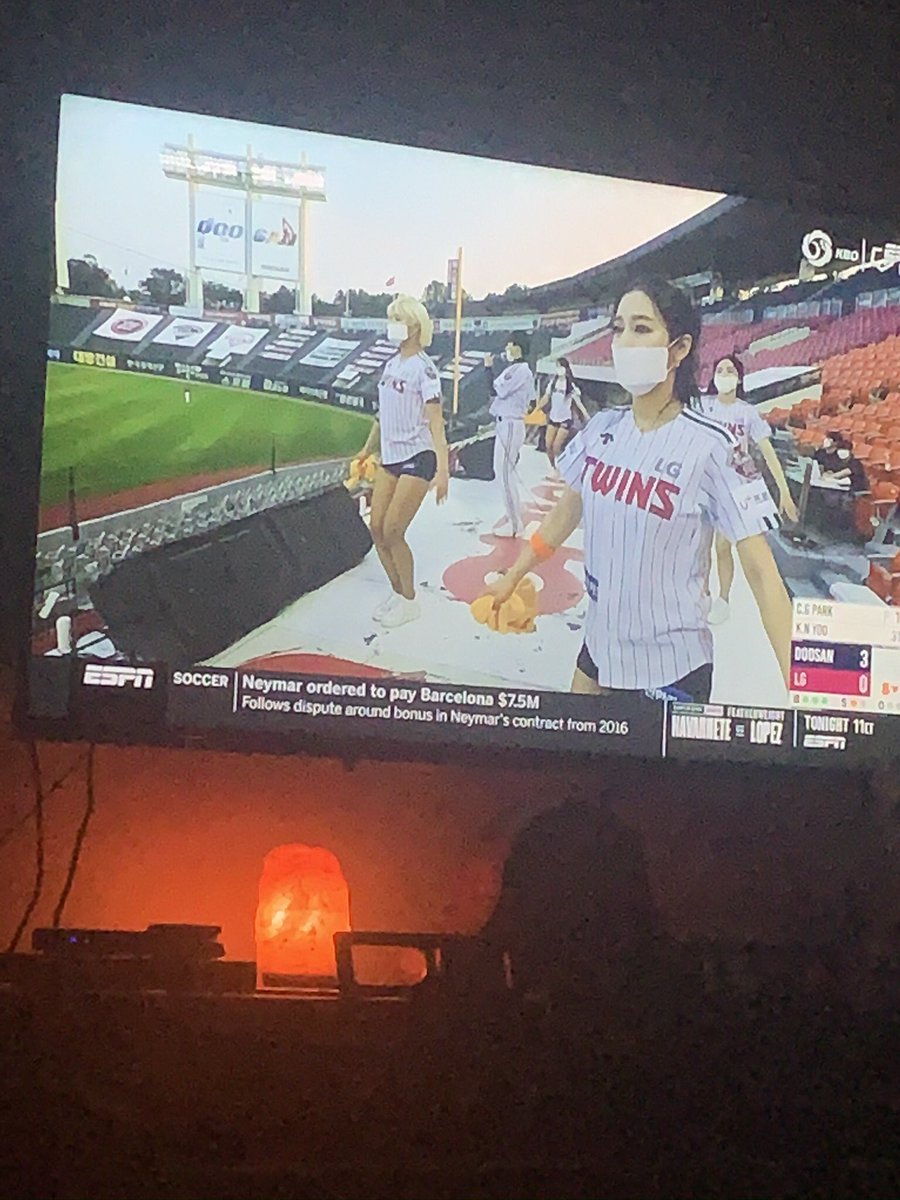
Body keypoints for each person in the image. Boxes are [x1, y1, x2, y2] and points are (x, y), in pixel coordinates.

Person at [487, 277, 793, 703]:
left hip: (670, 668)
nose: (625, 342)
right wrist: (514, 574)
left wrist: (808, 690)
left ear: (679, 349)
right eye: (618, 328)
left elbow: (762, 574)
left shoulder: (714, 447)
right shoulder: (600, 429)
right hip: (598, 646)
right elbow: (563, 516)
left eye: (642, 328)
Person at [353, 296, 449, 629]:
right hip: (389, 458)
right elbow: (383, 415)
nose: (391, 325)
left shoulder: (424, 369)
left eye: (396, 319)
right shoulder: (391, 365)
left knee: (394, 530)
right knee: (376, 528)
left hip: (417, 456)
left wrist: (443, 468)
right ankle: (397, 591)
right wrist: (367, 450)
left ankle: (410, 601)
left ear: (413, 325)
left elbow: (436, 421)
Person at [699, 354, 799, 625]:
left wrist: (784, 491)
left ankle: (724, 598)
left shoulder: (747, 412)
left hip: (734, 486)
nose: (725, 373)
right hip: (701, 482)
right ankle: (703, 594)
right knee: (700, 545)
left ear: (739, 377)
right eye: (720, 369)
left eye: (730, 370)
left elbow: (767, 451)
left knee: (722, 544)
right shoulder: (702, 406)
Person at [485, 333, 535, 537]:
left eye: (510, 345)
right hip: (508, 424)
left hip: (511, 425)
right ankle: (514, 514)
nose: (507, 349)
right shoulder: (520, 370)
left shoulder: (519, 369)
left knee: (505, 474)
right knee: (505, 473)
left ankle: (515, 525)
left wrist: (488, 367)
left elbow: (495, 390)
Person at [537, 356, 590, 468]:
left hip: (565, 419)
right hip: (553, 418)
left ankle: (561, 466)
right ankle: (553, 467)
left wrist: (586, 416)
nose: (559, 369)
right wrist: (536, 408)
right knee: (548, 445)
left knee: (556, 446)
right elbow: (546, 397)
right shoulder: (553, 383)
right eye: (557, 367)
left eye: (561, 367)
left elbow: (578, 403)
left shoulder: (570, 386)